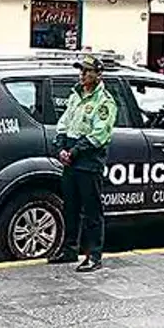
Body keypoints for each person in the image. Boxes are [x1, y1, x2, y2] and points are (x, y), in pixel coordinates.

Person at [48, 55, 117, 273]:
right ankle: (69, 249)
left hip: (88, 160)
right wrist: (60, 146)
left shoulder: (104, 101)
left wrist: (74, 151)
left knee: (92, 211)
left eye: (87, 71)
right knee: (71, 207)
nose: (83, 74)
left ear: (98, 74)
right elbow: (64, 122)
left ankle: (94, 255)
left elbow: (100, 134)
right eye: (81, 70)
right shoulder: (76, 95)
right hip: (70, 158)